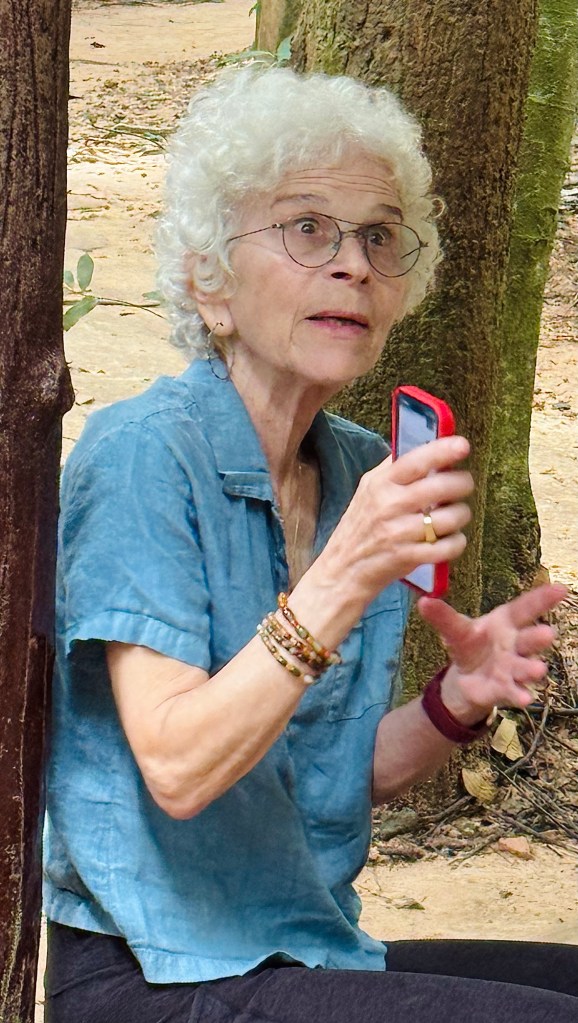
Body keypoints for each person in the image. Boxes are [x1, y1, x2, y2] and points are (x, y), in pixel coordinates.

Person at [43, 66, 577, 1022]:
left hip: (303, 943)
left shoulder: (357, 468)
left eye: (378, 236)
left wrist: (458, 700)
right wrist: (343, 573)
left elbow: (333, 775)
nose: (353, 265)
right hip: (153, 974)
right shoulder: (142, 455)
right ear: (210, 280)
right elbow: (178, 767)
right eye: (306, 229)